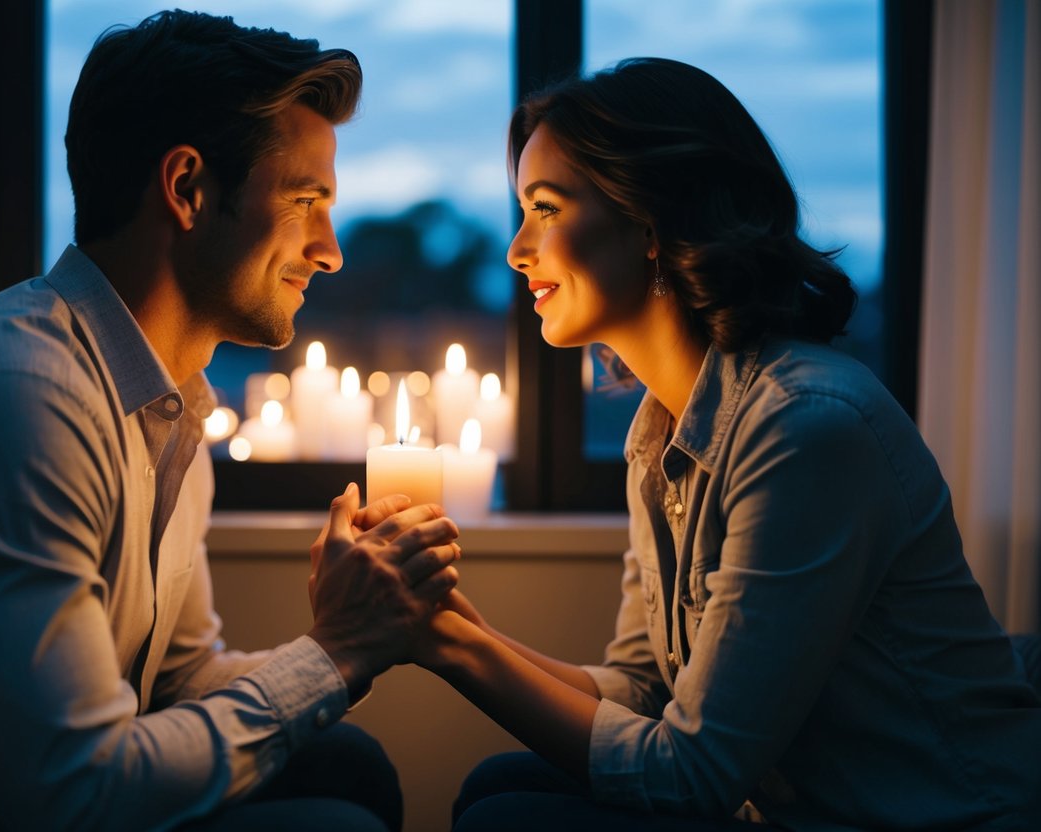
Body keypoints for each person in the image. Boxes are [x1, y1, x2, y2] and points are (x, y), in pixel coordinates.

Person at [0, 11, 461, 832]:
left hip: (35, 796)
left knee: (346, 761)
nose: (329, 248)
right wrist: (335, 652)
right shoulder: (19, 400)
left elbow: (174, 680)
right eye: (305, 200)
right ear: (188, 188)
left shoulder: (167, 404)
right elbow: (72, 794)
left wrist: (360, 633)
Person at [412, 58, 1041, 831]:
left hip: (930, 816)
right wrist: (452, 623)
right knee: (500, 785)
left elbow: (693, 773)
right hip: (785, 807)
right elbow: (644, 689)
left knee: (507, 817)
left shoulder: (805, 428)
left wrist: (448, 650)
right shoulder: (662, 430)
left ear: (649, 221)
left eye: (545, 209)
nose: (516, 249)